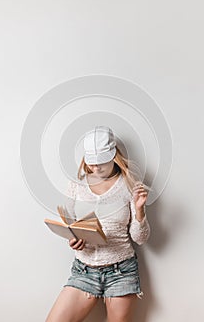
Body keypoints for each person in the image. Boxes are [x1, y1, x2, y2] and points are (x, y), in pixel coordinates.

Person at [45, 126, 150, 322]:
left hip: (121, 272)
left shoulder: (130, 184)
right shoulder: (76, 186)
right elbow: (70, 224)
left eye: (102, 163)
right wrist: (73, 240)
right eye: (92, 163)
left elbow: (140, 238)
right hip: (83, 271)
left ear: (114, 156)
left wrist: (140, 210)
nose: (96, 168)